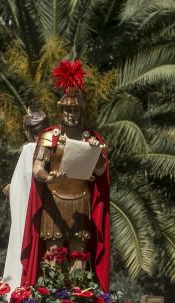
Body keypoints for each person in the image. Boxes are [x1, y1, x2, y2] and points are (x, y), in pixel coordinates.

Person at [22, 59, 111, 291]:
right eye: (67, 109)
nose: (71, 113)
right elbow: (37, 167)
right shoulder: (48, 136)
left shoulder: (90, 138)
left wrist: (97, 153)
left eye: (75, 109)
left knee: (78, 252)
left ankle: (77, 297)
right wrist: (48, 177)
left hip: (80, 199)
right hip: (54, 199)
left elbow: (100, 171)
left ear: (81, 111)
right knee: (53, 251)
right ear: (61, 110)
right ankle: (52, 295)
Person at [4, 108, 48, 288]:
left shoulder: (29, 148)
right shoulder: (54, 147)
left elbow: (24, 181)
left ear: (27, 132)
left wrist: (11, 188)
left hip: (31, 208)